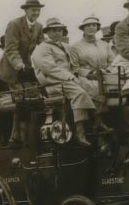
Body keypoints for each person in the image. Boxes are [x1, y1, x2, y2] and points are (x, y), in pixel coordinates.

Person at [30, 17, 99, 147]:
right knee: (79, 93)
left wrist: (89, 74)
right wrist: (70, 77)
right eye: (54, 30)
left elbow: (74, 66)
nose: (57, 33)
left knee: (95, 87)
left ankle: (98, 122)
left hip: (68, 80)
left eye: (60, 30)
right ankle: (80, 131)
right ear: (47, 32)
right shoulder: (41, 49)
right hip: (53, 83)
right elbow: (50, 68)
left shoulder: (66, 47)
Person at [0, 0, 45, 146]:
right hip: (12, 70)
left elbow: (42, 47)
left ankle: (31, 135)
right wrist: (19, 64)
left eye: (38, 10)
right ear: (26, 10)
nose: (35, 13)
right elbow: (11, 48)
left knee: (33, 99)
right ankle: (15, 137)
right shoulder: (14, 24)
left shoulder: (39, 27)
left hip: (28, 70)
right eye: (32, 10)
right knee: (20, 100)